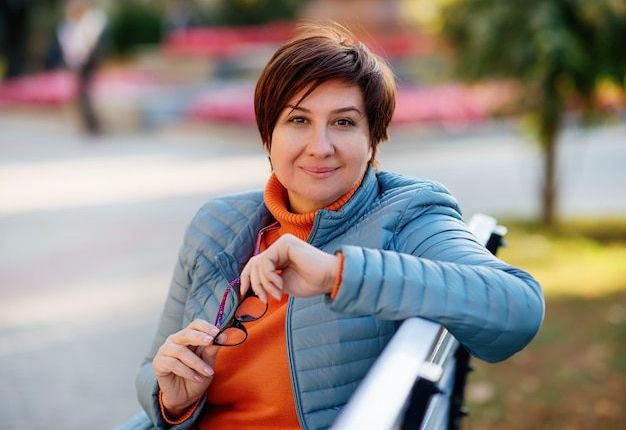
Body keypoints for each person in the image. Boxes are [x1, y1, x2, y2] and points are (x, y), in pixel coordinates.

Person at [129, 23, 544, 430]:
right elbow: (153, 365)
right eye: (298, 120)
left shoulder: (407, 213)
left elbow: (519, 305)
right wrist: (173, 399)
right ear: (267, 133)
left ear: (372, 139)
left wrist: (336, 274)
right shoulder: (216, 223)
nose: (320, 146)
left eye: (344, 122)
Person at [56, 0, 108, 135]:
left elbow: (91, 43)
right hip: (78, 62)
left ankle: (93, 124)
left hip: (88, 60)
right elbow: (69, 48)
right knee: (81, 93)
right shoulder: (67, 26)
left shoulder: (90, 20)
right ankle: (90, 124)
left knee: (83, 92)